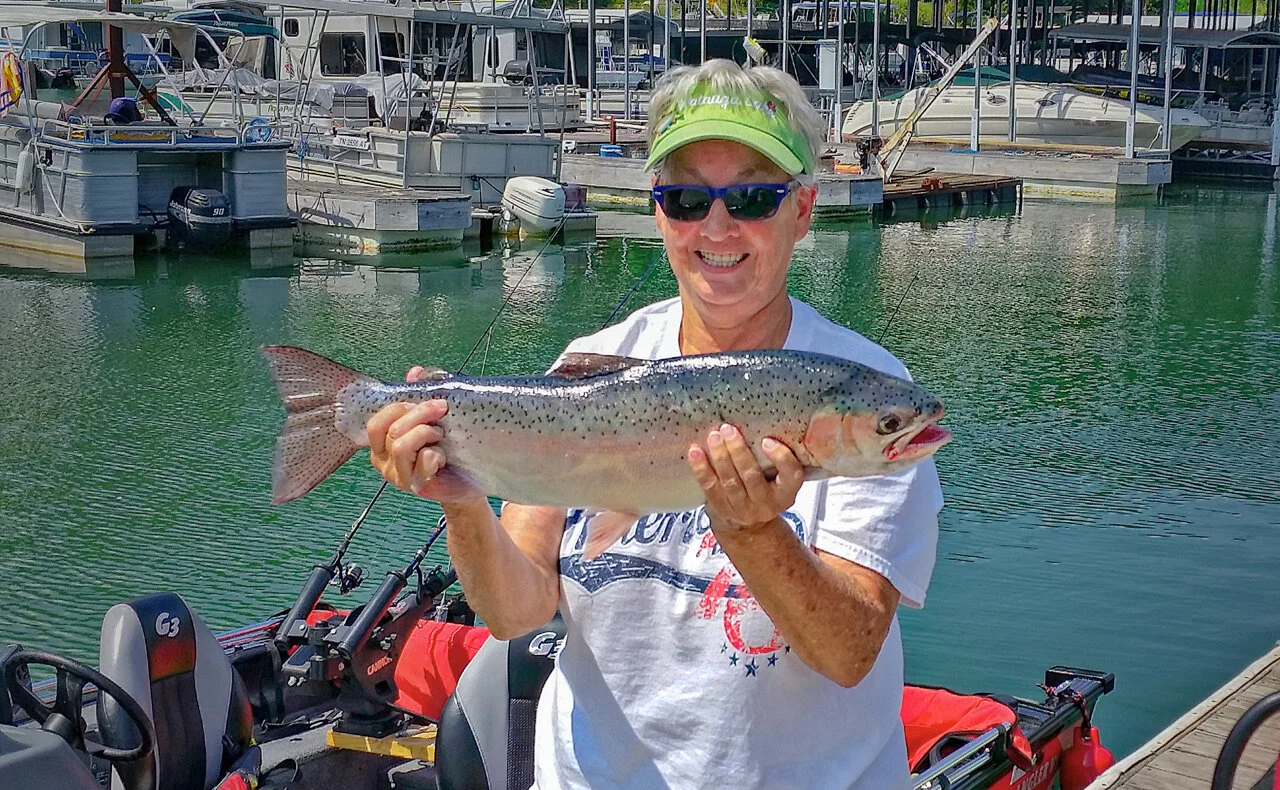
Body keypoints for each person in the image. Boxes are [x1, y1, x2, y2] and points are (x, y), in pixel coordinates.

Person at [368, 59, 943, 789]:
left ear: (803, 209)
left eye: (754, 197)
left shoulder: (864, 393)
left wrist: (756, 534)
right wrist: (461, 497)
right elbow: (516, 611)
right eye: (685, 198)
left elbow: (849, 651)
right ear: (657, 210)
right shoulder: (586, 366)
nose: (717, 225)